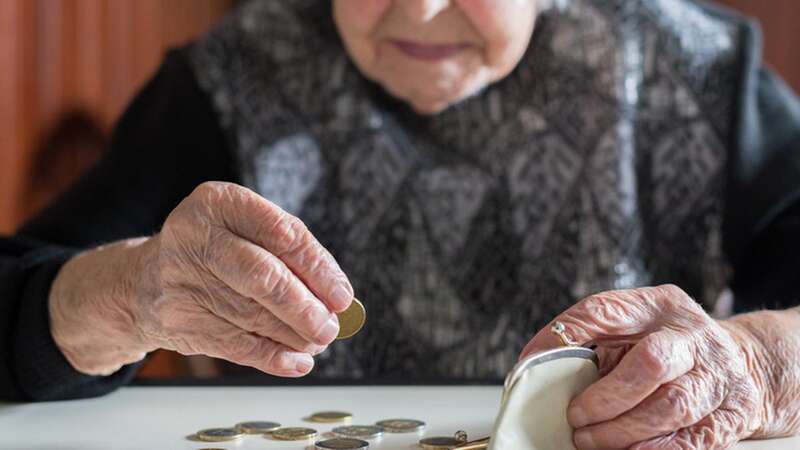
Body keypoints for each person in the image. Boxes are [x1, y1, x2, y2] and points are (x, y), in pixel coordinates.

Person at [1, 0, 799, 448]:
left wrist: (760, 362)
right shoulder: (223, 83)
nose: (417, 8)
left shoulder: (698, 74)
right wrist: (127, 294)